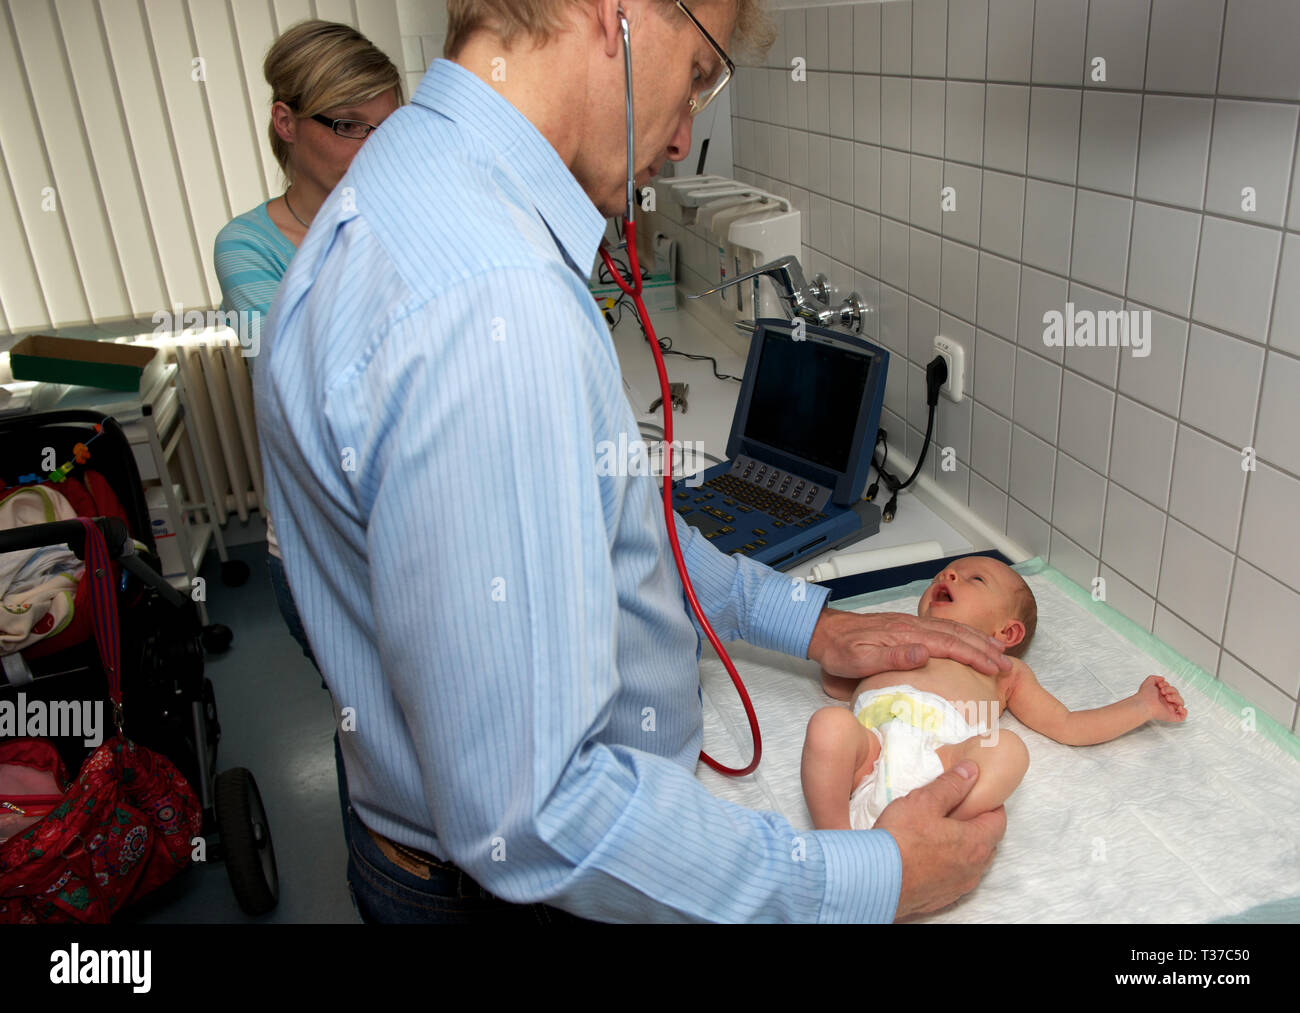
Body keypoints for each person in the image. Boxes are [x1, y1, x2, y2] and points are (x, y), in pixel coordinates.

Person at [254, 0, 1013, 923]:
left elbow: (605, 518)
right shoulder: (494, 304)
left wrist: (808, 624)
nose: (689, 132)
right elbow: (541, 817)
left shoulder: (407, 184)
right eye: (697, 72)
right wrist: (868, 880)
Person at [213, 19, 401, 667]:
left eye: (387, 126)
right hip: (317, 550)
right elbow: (314, 369)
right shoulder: (245, 246)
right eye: (349, 125)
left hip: (412, 535)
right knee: (365, 731)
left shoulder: (405, 218)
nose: (373, 147)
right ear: (287, 123)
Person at [803, 556, 1188, 831]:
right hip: (869, 751)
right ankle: (837, 841)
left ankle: (937, 826)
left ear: (1006, 634)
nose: (950, 573)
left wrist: (1141, 705)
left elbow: (1068, 725)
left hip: (943, 761)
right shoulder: (898, 636)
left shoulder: (1005, 672)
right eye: (946, 572)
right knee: (829, 725)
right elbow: (836, 685)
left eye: (975, 580)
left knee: (1008, 750)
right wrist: (849, 648)